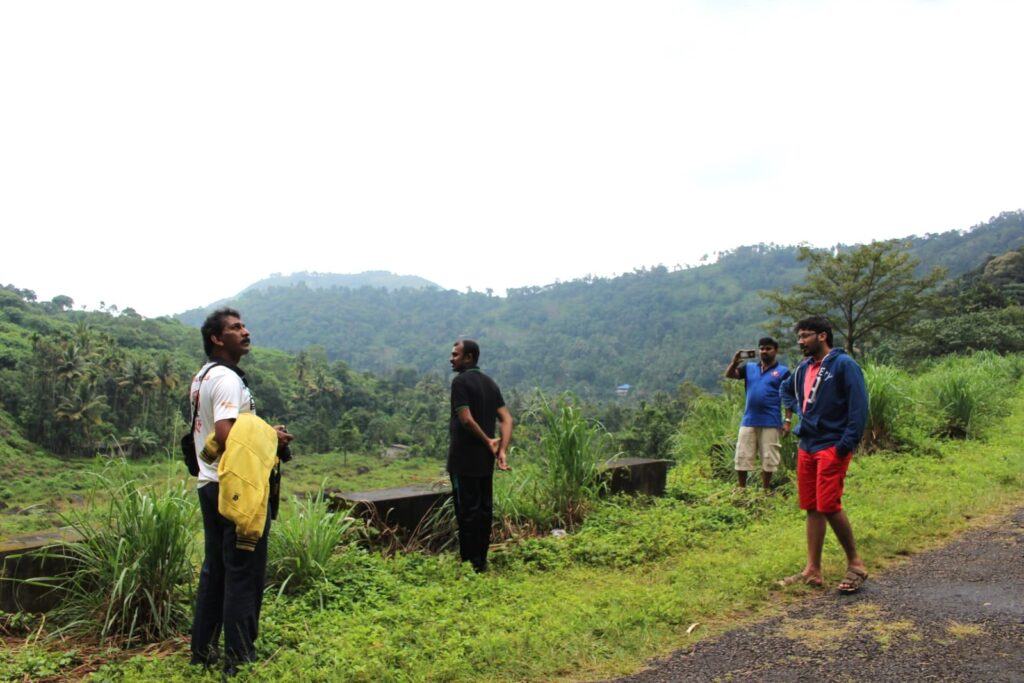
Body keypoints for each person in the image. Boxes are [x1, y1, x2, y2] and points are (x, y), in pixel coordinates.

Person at [189, 308, 293, 674]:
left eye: (244, 325)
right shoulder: (228, 381)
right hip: (236, 489)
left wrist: (263, 430)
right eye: (235, 328)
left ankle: (201, 653)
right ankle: (239, 660)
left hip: (209, 482)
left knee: (216, 571)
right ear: (218, 339)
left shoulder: (203, 376)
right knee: (243, 573)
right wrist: (273, 437)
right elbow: (226, 433)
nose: (245, 332)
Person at [778, 315, 868, 593]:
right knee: (812, 506)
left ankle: (856, 565)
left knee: (829, 505)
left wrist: (845, 444)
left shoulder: (843, 365)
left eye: (805, 336)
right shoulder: (804, 368)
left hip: (832, 445)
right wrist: (800, 411)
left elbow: (859, 407)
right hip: (808, 444)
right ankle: (812, 569)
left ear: (822, 336)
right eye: (799, 337)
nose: (800, 342)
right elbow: (785, 388)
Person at [447, 339, 513, 573]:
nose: (451, 358)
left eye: (455, 355)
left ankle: (469, 564)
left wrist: (487, 441)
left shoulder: (460, 383)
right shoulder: (490, 383)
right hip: (485, 463)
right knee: (483, 511)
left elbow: (465, 419)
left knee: (466, 511)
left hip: (463, 461)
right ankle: (481, 561)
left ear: (469, 358)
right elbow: (507, 419)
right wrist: (500, 450)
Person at [724, 337, 790, 491]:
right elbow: (729, 375)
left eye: (768, 348)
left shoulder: (783, 372)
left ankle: (765, 490)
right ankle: (742, 489)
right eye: (761, 348)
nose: (764, 351)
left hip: (771, 421)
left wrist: (787, 420)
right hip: (749, 420)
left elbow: (789, 397)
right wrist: (734, 362)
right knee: (742, 455)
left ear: (776, 350)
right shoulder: (749, 368)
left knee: (769, 457)